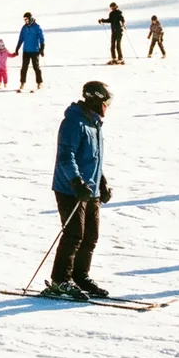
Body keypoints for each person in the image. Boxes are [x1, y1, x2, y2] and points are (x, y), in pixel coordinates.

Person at [46, 80, 113, 300]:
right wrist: (76, 183)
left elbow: (93, 159)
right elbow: (66, 156)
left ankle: (80, 275)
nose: (107, 106)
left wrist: (101, 181)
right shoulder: (73, 122)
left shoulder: (94, 123)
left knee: (90, 236)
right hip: (69, 188)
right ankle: (60, 280)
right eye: (106, 101)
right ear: (94, 99)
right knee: (74, 234)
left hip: (90, 189)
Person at [14, 12, 46, 91]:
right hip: (26, 51)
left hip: (34, 51)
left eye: (27, 19)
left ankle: (39, 82)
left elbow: (42, 38)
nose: (26, 21)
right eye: (24, 20)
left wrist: (42, 48)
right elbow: (21, 38)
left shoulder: (37, 27)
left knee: (36, 67)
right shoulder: (24, 28)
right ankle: (22, 83)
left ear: (30, 18)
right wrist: (17, 48)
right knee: (24, 68)